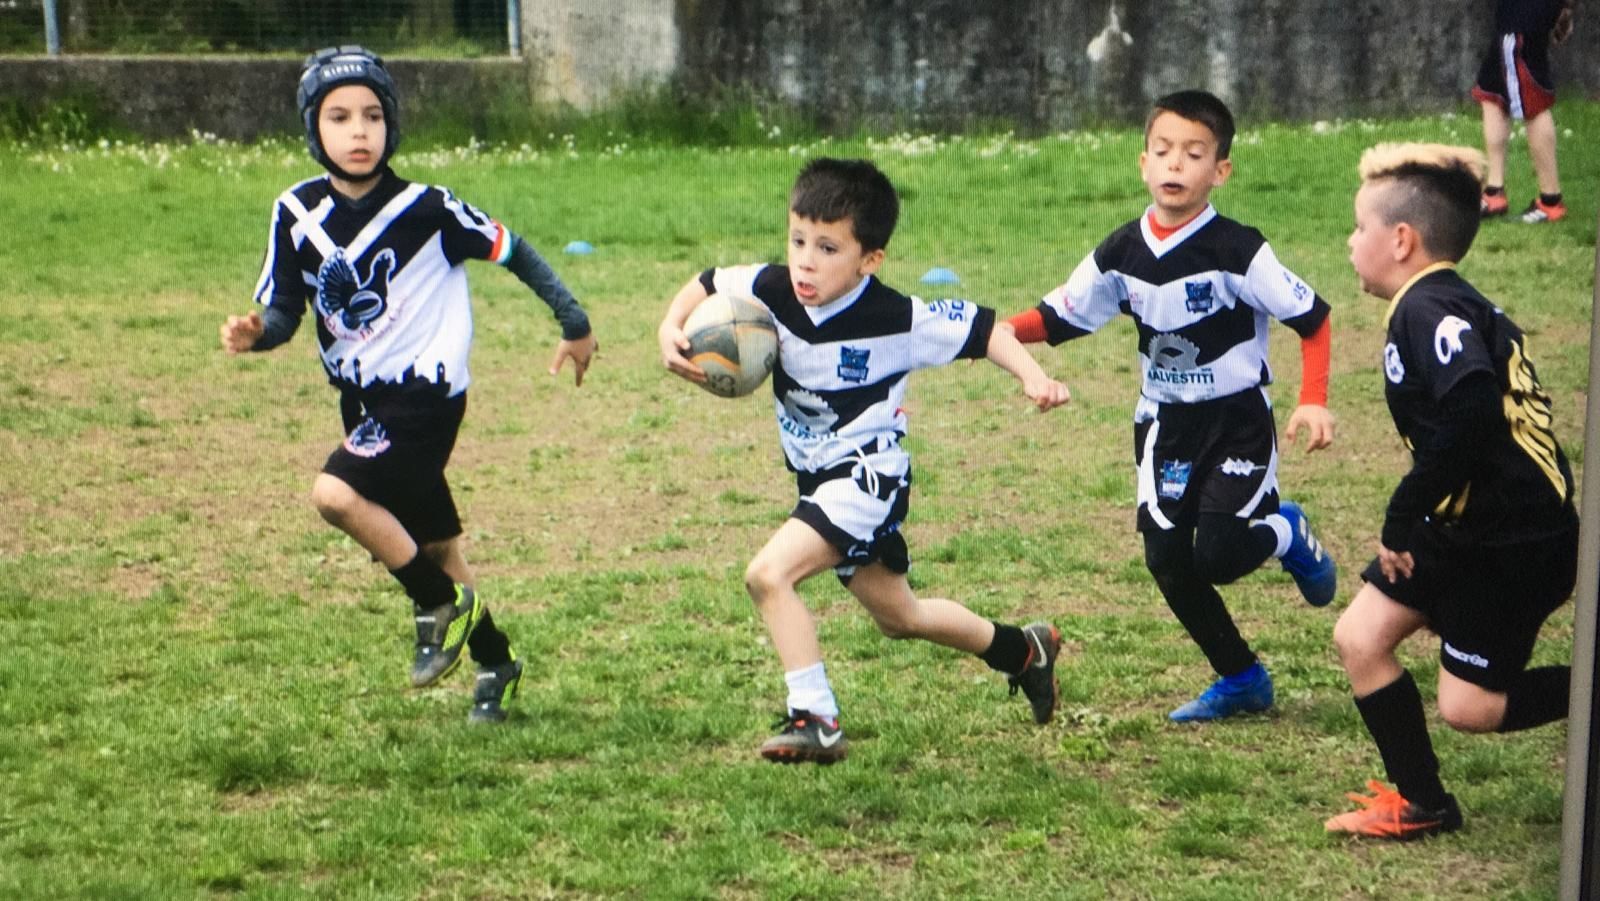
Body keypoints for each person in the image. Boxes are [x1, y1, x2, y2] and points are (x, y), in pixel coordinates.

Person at [219, 46, 598, 723]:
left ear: (392, 124)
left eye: (372, 114)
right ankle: (496, 661)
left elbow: (513, 249)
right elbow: (285, 309)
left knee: (335, 494)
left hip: (425, 395)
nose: (358, 131)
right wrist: (260, 333)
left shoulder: (427, 208)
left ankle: (435, 605)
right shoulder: (294, 213)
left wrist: (574, 321)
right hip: (362, 401)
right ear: (314, 130)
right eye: (339, 117)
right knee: (435, 546)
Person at [658, 157, 1072, 764]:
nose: (804, 260)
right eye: (798, 239)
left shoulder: (896, 318)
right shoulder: (773, 288)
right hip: (816, 477)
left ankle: (816, 718)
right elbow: (712, 279)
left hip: (866, 475)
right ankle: (1022, 651)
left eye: (827, 247)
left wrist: (1036, 378)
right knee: (900, 616)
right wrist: (669, 326)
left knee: (768, 575)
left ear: (869, 259)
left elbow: (989, 332)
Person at [1004, 90, 1338, 723]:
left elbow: (1314, 319)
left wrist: (1313, 401)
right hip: (1164, 423)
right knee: (1167, 560)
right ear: (1143, 163)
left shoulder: (1237, 250)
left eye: (1193, 153)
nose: (1175, 166)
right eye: (1162, 151)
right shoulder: (1122, 252)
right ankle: (1242, 678)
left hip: (1237, 420)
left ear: (1221, 171)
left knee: (1216, 552)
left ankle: (1287, 530)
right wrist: (987, 333)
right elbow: (1059, 317)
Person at [1325, 143, 1577, 839]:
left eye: (1358, 228)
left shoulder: (1427, 309)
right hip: (1467, 520)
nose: (1349, 242)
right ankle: (1424, 802)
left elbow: (1471, 406)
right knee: (1360, 636)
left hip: (1514, 539)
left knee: (1470, 707)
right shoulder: (1442, 302)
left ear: (1400, 240)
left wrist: (1402, 514)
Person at [1472, 0, 1575, 223]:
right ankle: (1494, 192)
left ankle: (1551, 201)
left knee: (1532, 100)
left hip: (1523, 15)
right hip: (1515, 15)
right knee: (1492, 90)